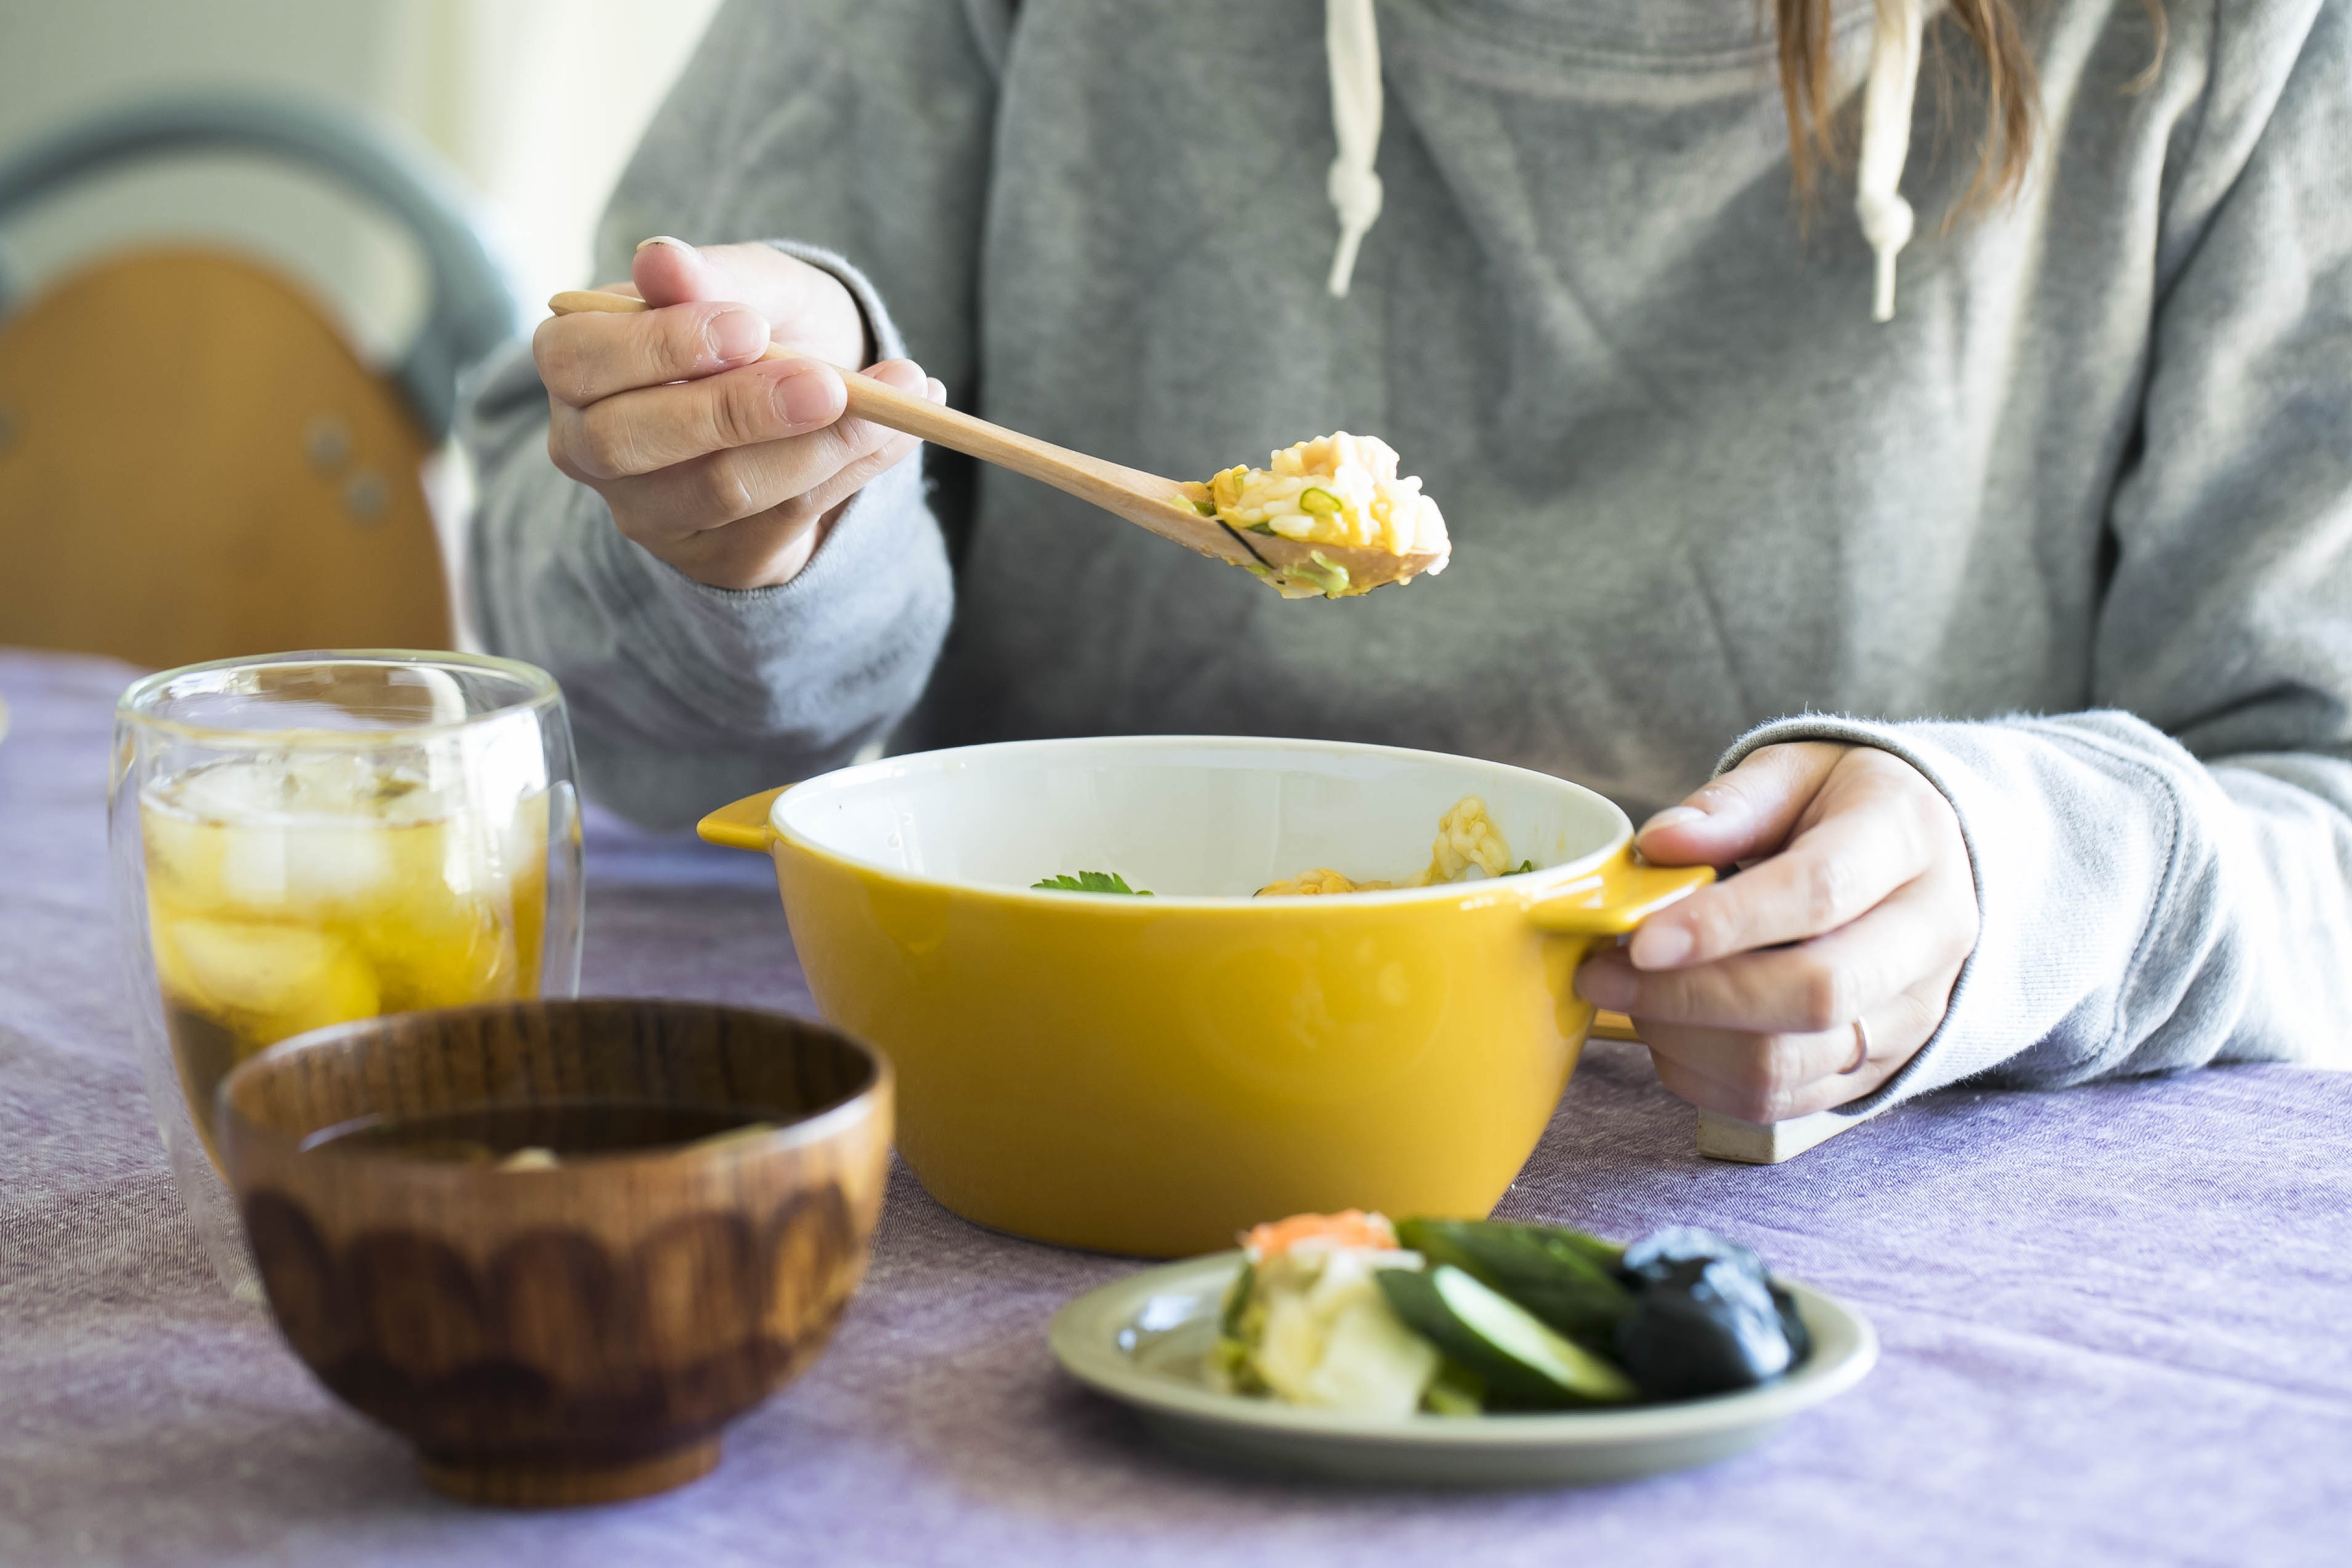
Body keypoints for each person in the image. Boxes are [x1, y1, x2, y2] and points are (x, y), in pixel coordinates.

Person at [459, 0, 2352, 1130]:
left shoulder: (2248, 51)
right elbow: (606, 700)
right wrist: (762, 535)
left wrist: (2020, 874)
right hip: (1044, 1149)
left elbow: (2319, 811)